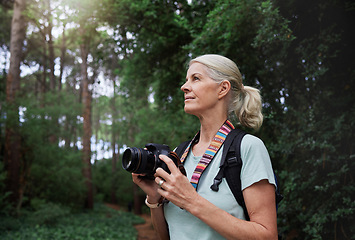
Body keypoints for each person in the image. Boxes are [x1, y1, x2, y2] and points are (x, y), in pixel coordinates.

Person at [132, 54, 278, 240]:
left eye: (196, 78)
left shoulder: (248, 148)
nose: (184, 87)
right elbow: (167, 236)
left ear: (222, 89)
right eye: (186, 80)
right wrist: (154, 198)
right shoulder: (179, 154)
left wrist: (192, 201)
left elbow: (267, 236)